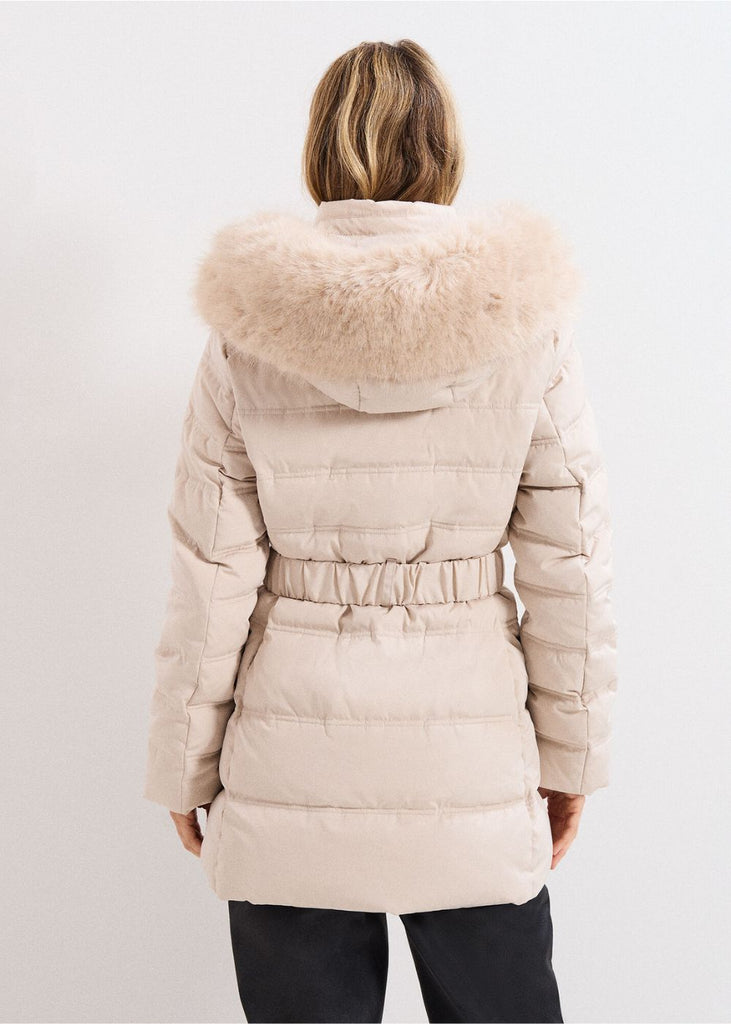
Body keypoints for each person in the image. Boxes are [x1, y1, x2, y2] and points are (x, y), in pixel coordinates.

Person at [143, 38, 617, 1024]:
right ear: (445, 148)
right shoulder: (523, 323)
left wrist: (184, 762)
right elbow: (569, 566)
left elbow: (209, 576)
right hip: (471, 763)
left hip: (290, 768)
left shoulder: (248, 332)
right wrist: (571, 758)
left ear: (320, 146)